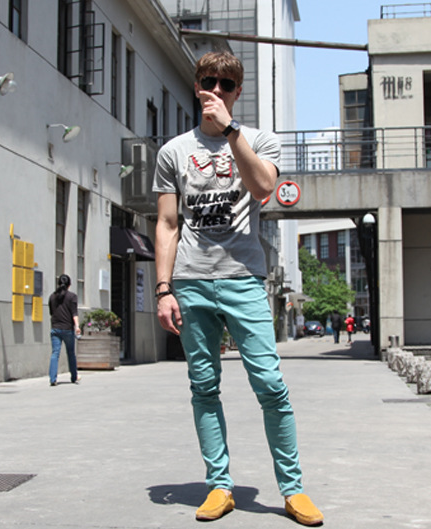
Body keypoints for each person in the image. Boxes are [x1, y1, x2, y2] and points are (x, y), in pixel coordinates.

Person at [152, 51, 323, 526]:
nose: (216, 90)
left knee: (270, 383)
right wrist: (164, 289)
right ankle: (219, 486)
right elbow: (167, 224)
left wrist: (230, 131)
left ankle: (293, 490)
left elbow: (264, 186)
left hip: (243, 278)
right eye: (209, 82)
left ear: (237, 92)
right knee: (204, 387)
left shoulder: (259, 140)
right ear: (196, 86)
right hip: (190, 280)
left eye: (226, 85)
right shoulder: (173, 152)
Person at [48, 274, 81, 386]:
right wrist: (77, 326)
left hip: (55, 328)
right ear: (69, 285)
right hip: (67, 329)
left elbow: (51, 313)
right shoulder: (72, 297)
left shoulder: (52, 297)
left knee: (55, 353)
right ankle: (74, 376)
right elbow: (74, 313)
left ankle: (53, 379)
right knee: (71, 353)